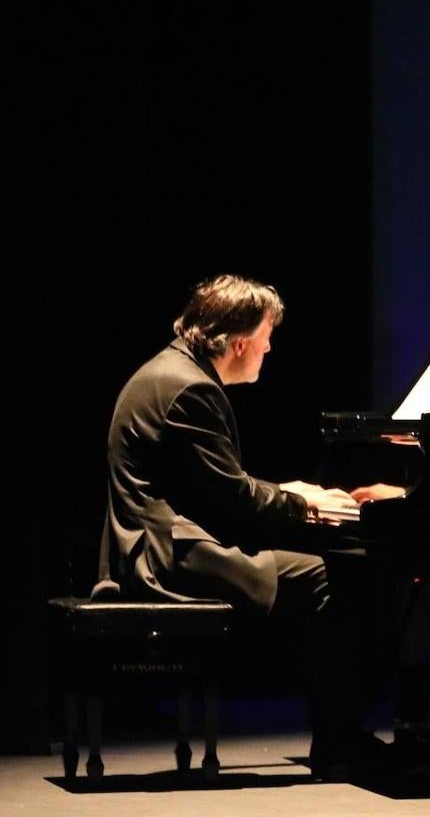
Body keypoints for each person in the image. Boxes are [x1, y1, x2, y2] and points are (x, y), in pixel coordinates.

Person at [95, 274, 398, 780]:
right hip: (168, 559)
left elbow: (215, 487)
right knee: (326, 576)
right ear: (239, 344)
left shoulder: (172, 372)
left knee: (319, 566)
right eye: (265, 339)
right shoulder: (190, 388)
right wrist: (301, 503)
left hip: (158, 545)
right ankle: (341, 741)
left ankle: (341, 732)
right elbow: (231, 502)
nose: (269, 348)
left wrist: (291, 493)